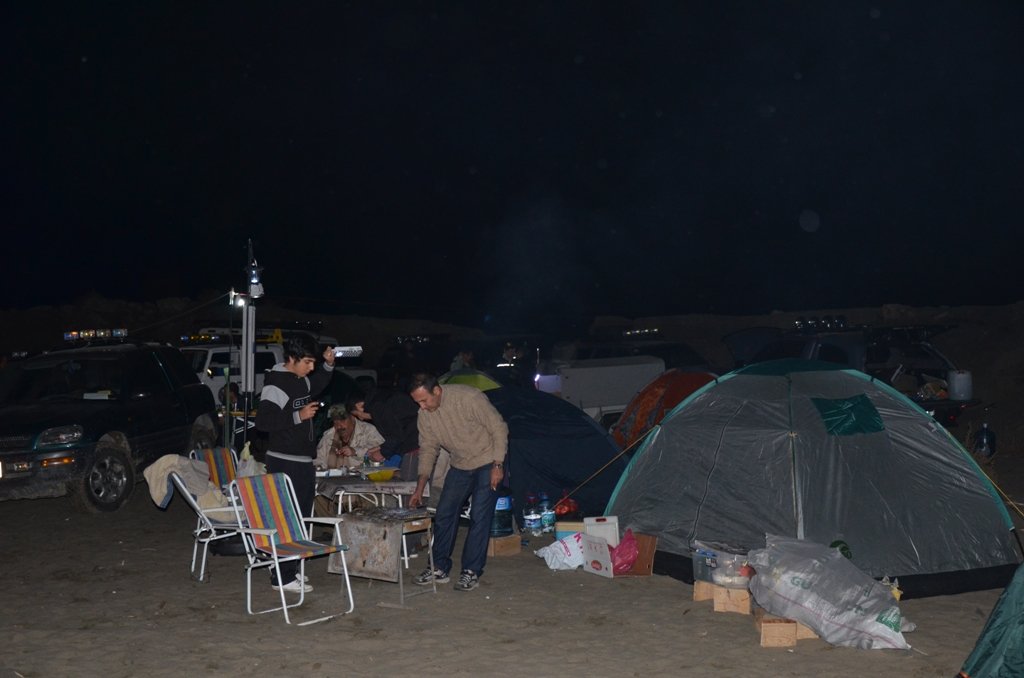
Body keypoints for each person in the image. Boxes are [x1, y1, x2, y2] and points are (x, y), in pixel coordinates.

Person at [407, 372, 508, 592]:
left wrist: (498, 465)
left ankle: (471, 571)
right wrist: (419, 488)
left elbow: (498, 427)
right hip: (460, 464)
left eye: (424, 400)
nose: (422, 407)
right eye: (417, 402)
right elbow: (428, 448)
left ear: (437, 391)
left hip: (488, 460)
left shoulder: (469, 398)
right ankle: (438, 568)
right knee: (444, 513)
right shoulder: (424, 414)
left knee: (479, 515)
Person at [255, 335, 335, 594]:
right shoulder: (276, 383)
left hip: (302, 461)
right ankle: (282, 577)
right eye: (307, 362)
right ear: (292, 358)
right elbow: (264, 422)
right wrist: (298, 416)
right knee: (287, 518)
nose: (311, 368)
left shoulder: (300, 380)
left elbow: (317, 383)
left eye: (313, 363)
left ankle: (288, 566)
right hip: (284, 460)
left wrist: (328, 365)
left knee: (300, 517)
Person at [348, 386, 420, 477]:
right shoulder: (382, 398)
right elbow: (397, 430)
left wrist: (382, 453)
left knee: (407, 477)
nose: (361, 419)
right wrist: (379, 448)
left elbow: (396, 435)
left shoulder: (378, 407)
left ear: (359, 405)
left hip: (416, 443)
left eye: (357, 415)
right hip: (413, 439)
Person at [315, 403, 384, 470]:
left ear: (352, 418)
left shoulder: (368, 430)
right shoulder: (328, 435)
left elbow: (381, 452)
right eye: (335, 422)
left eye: (342, 420)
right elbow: (318, 460)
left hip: (363, 476)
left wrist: (355, 451)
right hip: (333, 477)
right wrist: (319, 468)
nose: (339, 426)